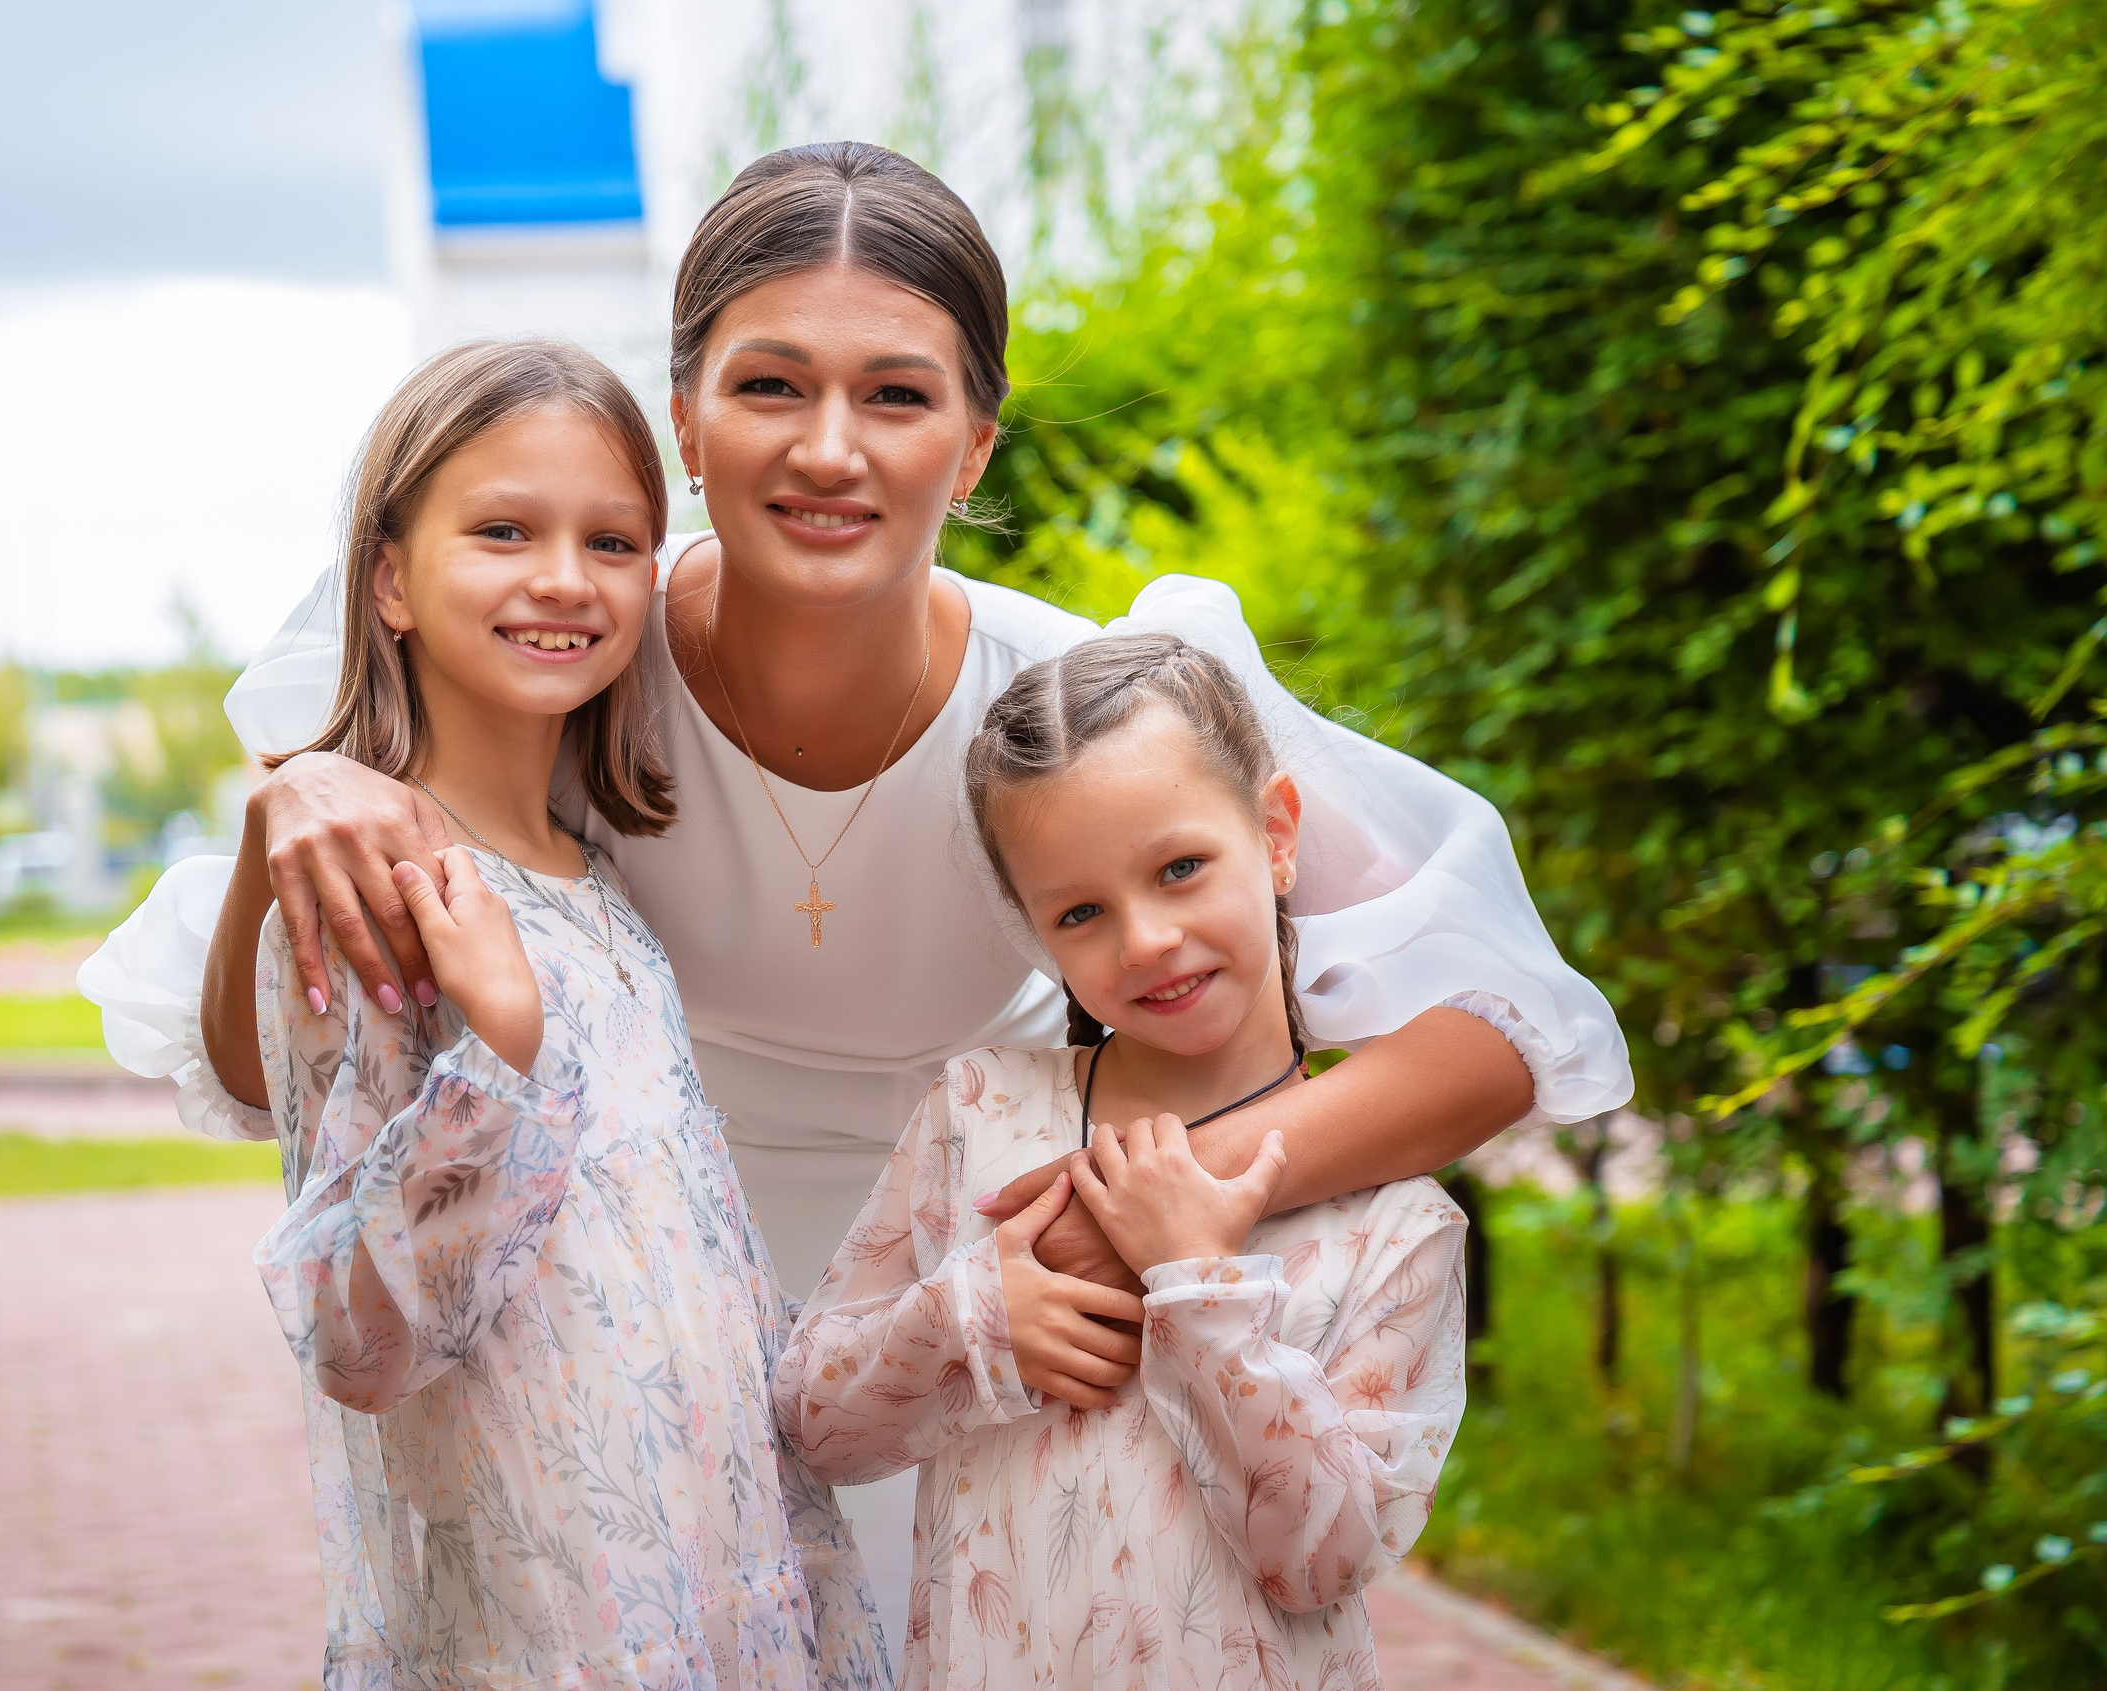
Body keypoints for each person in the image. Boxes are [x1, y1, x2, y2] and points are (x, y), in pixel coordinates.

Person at [81, 140, 1629, 1609]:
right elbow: (261, 1060)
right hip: (617, 1376)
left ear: (975, 442)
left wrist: (1155, 1202)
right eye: (769, 386)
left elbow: (1504, 1022)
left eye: (896, 394)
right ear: (685, 423)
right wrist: (305, 795)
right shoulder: (561, 676)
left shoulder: (1075, 712)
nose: (829, 448)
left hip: (973, 1360)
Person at [233, 338, 882, 1690]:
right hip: (549, 1621)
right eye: (504, 530)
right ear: (391, 579)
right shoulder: (365, 889)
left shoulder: (596, 880)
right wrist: (502, 1053)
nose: (562, 578)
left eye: (614, 540)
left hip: (727, 1574)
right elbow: (363, 1341)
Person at [778, 634, 1468, 1688]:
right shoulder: (980, 1116)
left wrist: (1202, 1291)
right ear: (1035, 929)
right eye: (1081, 912)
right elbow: (812, 1428)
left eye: (1181, 868)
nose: (1144, 939)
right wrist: (970, 1319)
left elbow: (1322, 1559)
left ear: (1275, 835)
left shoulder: (1399, 1225)